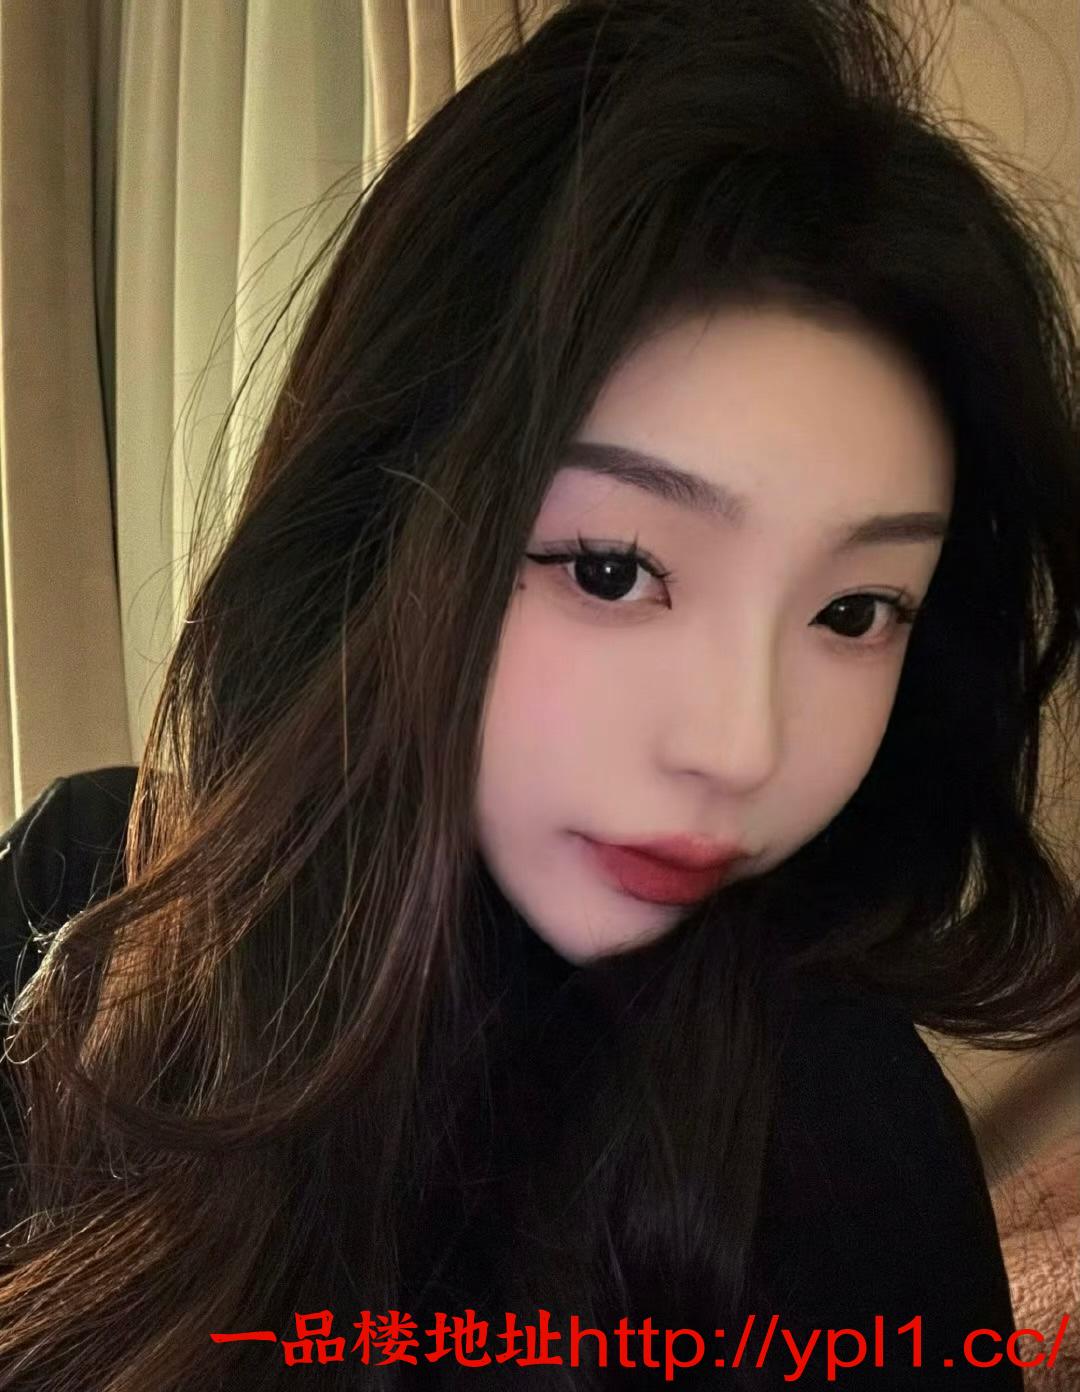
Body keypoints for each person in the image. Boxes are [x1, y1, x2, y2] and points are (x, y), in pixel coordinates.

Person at [2, 0, 1079, 1386]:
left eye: (854, 612)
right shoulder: (76, 905)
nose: (742, 747)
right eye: (616, 571)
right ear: (379, 524)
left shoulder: (830, 1130)